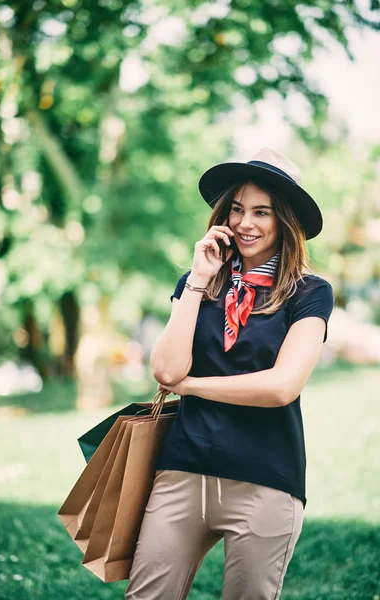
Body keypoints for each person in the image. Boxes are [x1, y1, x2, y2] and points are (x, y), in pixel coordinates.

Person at [124, 147, 335, 600]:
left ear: (285, 222)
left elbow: (281, 386)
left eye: (262, 212)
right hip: (183, 470)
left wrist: (192, 386)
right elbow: (164, 369)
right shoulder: (198, 281)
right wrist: (199, 278)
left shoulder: (309, 293)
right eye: (237, 209)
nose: (245, 223)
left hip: (265, 480)